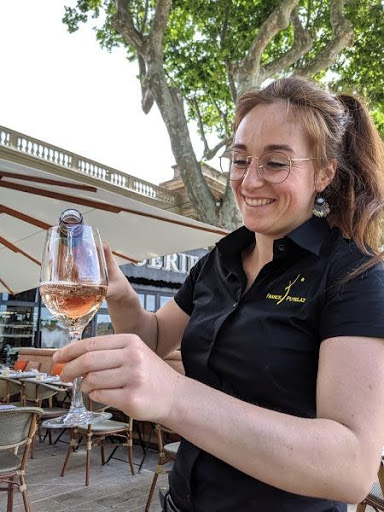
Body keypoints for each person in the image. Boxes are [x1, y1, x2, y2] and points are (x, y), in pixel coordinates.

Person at [53, 76, 384, 512]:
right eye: (241, 159)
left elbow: (351, 468)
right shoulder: (218, 261)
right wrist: (118, 290)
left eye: (275, 163)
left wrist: (174, 396)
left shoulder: (355, 274)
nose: (249, 180)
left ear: (324, 173)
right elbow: (152, 340)